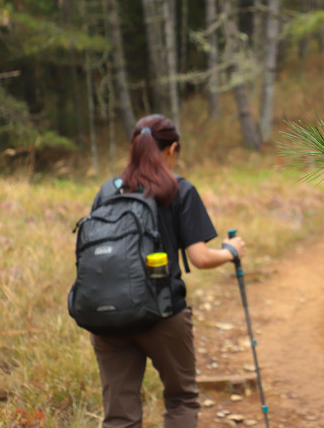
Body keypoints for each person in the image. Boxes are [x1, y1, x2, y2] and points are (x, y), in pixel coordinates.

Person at [89, 114, 246, 428]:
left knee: (120, 415)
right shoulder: (179, 190)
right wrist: (231, 252)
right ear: (173, 148)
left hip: (107, 316)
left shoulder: (107, 192)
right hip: (162, 313)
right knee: (181, 399)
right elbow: (200, 258)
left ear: (135, 147)